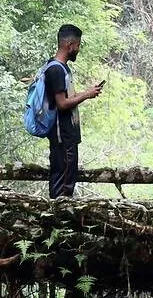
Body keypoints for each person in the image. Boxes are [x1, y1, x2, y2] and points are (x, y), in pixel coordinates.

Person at [45, 24, 104, 198]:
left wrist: (88, 92)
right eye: (78, 45)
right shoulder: (56, 69)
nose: (78, 49)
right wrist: (86, 95)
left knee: (66, 181)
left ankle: (60, 212)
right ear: (69, 45)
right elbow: (62, 104)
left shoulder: (61, 68)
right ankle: (59, 214)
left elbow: (66, 97)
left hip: (67, 137)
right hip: (62, 137)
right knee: (63, 185)